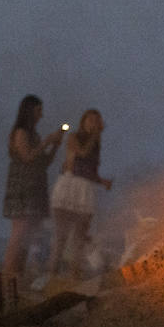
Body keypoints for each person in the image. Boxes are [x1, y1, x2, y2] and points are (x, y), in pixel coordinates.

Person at [1, 94, 64, 278]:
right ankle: (8, 275)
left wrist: (55, 146)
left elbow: (44, 163)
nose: (41, 115)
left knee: (27, 234)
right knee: (19, 232)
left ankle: (17, 274)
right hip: (22, 188)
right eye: (38, 111)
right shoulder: (20, 132)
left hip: (35, 187)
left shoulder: (34, 135)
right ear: (29, 111)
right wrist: (47, 141)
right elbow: (27, 156)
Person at [49, 109, 114, 279]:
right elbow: (82, 153)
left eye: (96, 120)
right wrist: (94, 136)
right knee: (61, 236)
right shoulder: (73, 137)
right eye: (89, 120)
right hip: (69, 188)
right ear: (83, 121)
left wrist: (102, 181)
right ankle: (52, 274)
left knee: (79, 237)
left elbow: (89, 171)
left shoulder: (96, 144)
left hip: (85, 190)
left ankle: (73, 275)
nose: (92, 124)